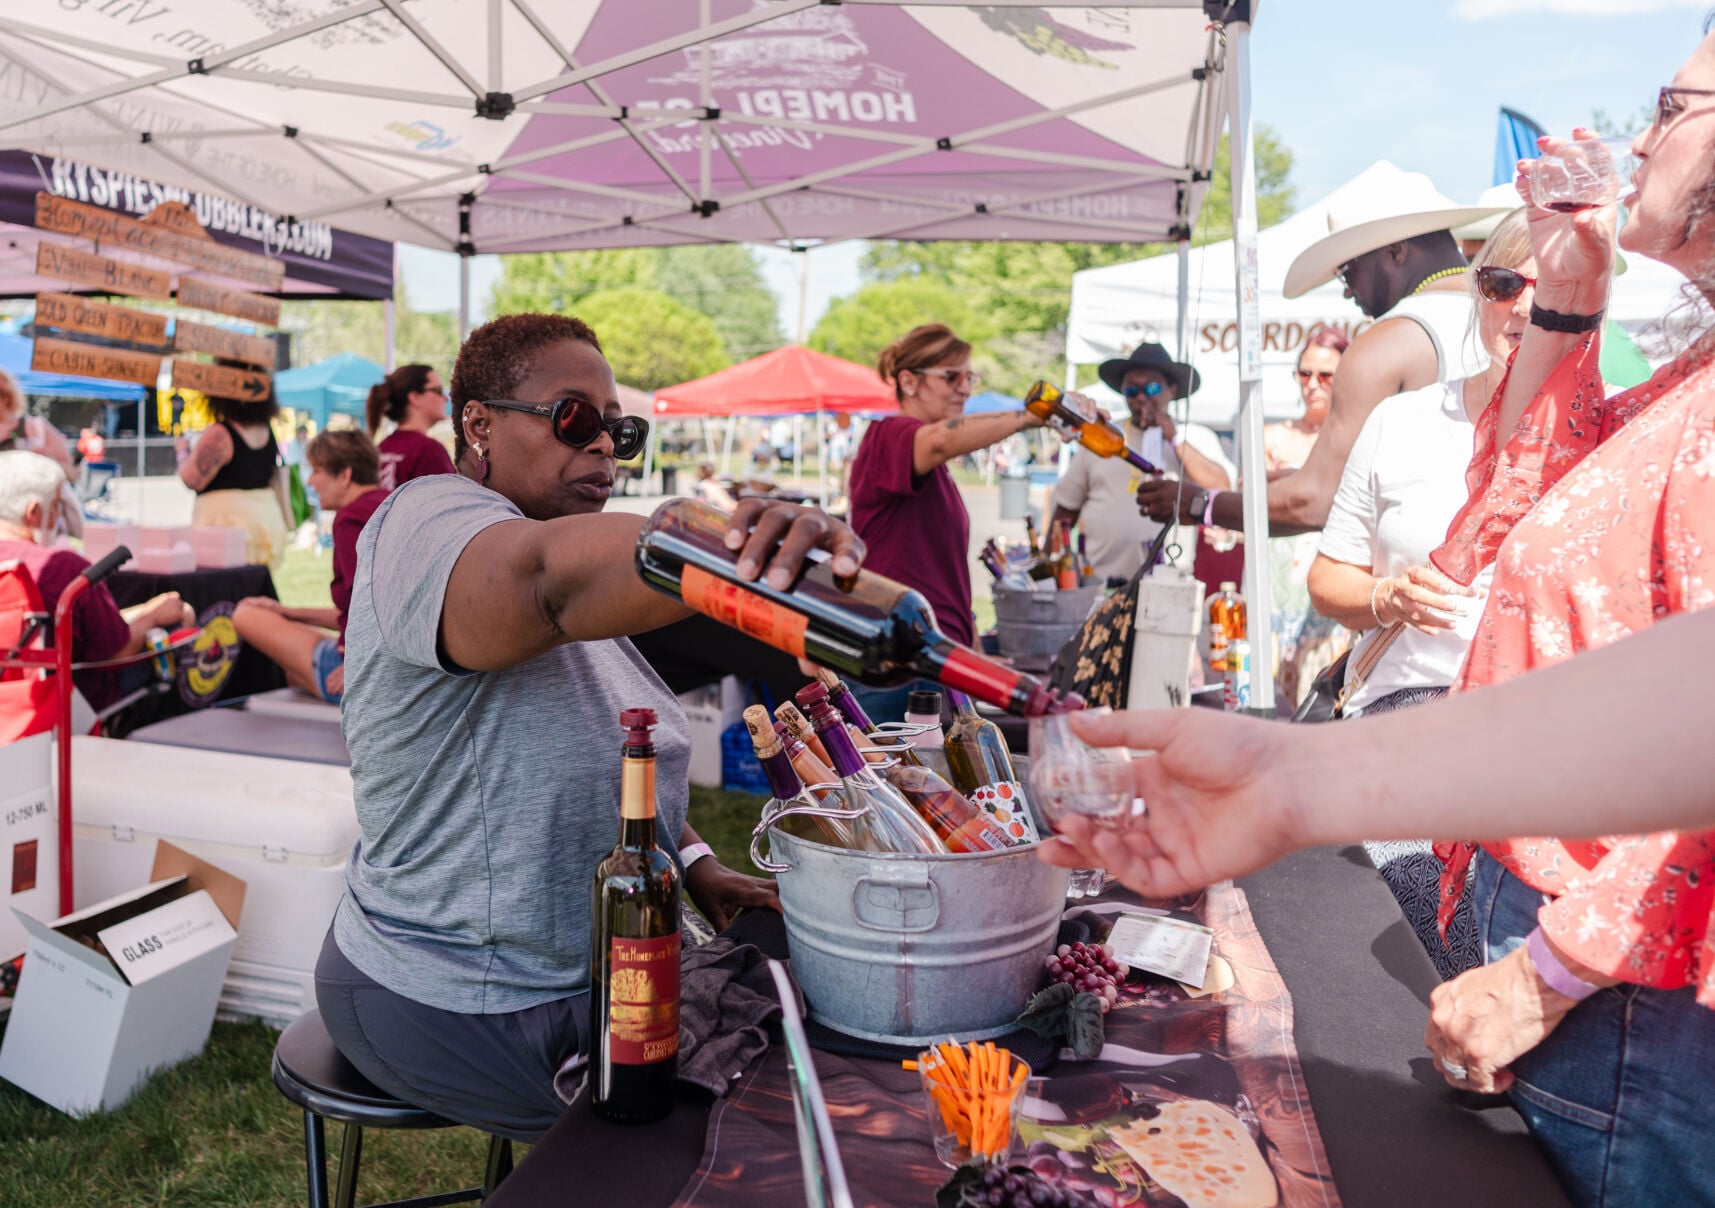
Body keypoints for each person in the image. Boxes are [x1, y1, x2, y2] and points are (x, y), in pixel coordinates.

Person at [315, 312, 865, 1144]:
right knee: (741, 1143)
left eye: (619, 430)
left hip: (600, 972)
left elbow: (603, 748)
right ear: (477, 423)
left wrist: (693, 862)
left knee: (834, 1061)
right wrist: (717, 543)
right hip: (457, 992)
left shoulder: (565, 556)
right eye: (575, 418)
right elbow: (543, 585)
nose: (605, 446)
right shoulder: (424, 519)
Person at [1304, 210, 1537, 979]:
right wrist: (1388, 598)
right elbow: (1326, 580)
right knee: (1458, 959)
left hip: (1548, 729)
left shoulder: (1608, 438)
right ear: (1478, 292)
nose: (1526, 308)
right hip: (1413, 710)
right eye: (1505, 284)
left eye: (1555, 290)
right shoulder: (1402, 423)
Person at [1137, 170, 1507, 537]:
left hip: (1417, 583)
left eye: (1347, 272)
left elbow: (1314, 503)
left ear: (1396, 252)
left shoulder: (1387, 342)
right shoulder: (1509, 316)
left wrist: (1201, 503)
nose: (1347, 292)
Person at [846, 323, 1044, 721]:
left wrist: (976, 656)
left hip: (937, 660)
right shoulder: (890, 434)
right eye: (951, 376)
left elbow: (946, 577)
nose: (965, 388)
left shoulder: (936, 471)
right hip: (898, 663)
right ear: (909, 381)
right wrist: (1029, 416)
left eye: (970, 376)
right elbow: (938, 440)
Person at [0, 450, 191, 713]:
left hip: (10, 697)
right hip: (69, 701)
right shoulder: (63, 567)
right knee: (182, 622)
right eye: (56, 507)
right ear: (33, 512)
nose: (58, 518)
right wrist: (153, 617)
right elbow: (117, 650)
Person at [1048, 341, 1232, 583]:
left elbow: (1222, 486)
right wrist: (1049, 565)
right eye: (1132, 391)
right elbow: (1065, 510)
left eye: (1153, 388)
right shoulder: (1102, 437)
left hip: (1170, 583)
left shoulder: (1194, 436)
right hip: (1102, 583)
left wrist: (1174, 438)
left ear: (1172, 390)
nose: (1142, 397)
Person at [231, 431, 386, 704]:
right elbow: (359, 610)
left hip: (369, 677)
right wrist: (286, 612)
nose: (310, 481)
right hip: (391, 665)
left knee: (246, 614)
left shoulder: (351, 518)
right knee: (293, 672)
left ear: (345, 475)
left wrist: (356, 666)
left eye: (316, 471)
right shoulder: (392, 503)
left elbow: (370, 604)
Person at [1262, 328, 1352, 704]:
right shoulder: (1271, 436)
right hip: (1276, 589)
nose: (1312, 384)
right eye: (1304, 373)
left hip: (1326, 593)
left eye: (1325, 375)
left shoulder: (1352, 439)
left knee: (1318, 706)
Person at [175, 384, 291, 568]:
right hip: (264, 520)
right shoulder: (265, 429)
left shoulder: (220, 433)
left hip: (226, 523)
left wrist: (182, 454)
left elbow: (192, 479)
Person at [365, 363, 455, 491]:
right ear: (415, 397)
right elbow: (452, 502)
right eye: (438, 390)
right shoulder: (428, 451)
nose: (445, 398)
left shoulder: (380, 449)